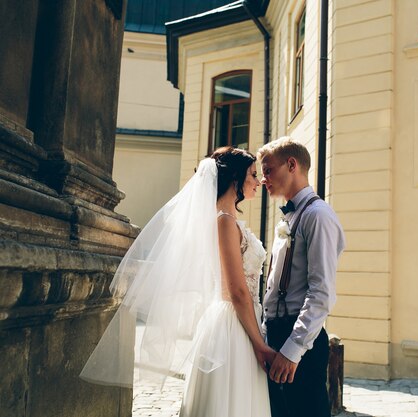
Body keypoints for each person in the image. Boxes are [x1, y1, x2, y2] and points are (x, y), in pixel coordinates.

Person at [80, 147, 274, 417]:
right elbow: (237, 291)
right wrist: (259, 344)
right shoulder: (225, 222)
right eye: (253, 174)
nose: (259, 180)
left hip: (239, 320)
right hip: (234, 326)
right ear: (235, 179)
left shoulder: (226, 219)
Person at [257, 137, 345, 417]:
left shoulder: (318, 216)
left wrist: (292, 350)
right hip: (275, 335)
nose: (263, 179)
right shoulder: (287, 219)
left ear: (291, 165)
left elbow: (322, 292)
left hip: (299, 340)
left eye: (268, 170)